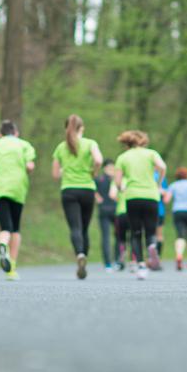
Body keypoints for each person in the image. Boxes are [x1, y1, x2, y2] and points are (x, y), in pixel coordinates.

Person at [0, 120, 36, 281]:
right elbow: (30, 166)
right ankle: (12, 267)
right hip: (17, 188)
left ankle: (3, 244)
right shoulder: (24, 145)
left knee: (5, 226)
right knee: (15, 228)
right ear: (16, 133)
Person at [52, 114, 104, 280]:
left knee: (75, 227)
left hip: (68, 190)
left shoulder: (60, 147)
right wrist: (93, 173)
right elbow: (98, 160)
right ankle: (84, 258)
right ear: (82, 128)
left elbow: (55, 174)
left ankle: (80, 254)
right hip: (87, 189)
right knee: (84, 228)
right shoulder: (90, 143)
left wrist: (65, 171)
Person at [113, 130, 167, 279]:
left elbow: (117, 181)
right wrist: (158, 183)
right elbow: (162, 167)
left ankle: (142, 266)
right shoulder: (151, 153)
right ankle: (152, 246)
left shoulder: (122, 157)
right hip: (151, 196)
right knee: (151, 231)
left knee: (136, 233)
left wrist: (120, 188)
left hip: (132, 196)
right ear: (143, 141)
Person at [95, 160, 119, 271]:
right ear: (104, 168)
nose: (111, 170)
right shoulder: (99, 179)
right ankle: (108, 263)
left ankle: (117, 261)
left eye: (113, 168)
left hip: (116, 210)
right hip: (104, 210)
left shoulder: (116, 179)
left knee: (119, 236)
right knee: (106, 237)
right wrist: (97, 198)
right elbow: (92, 189)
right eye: (110, 168)